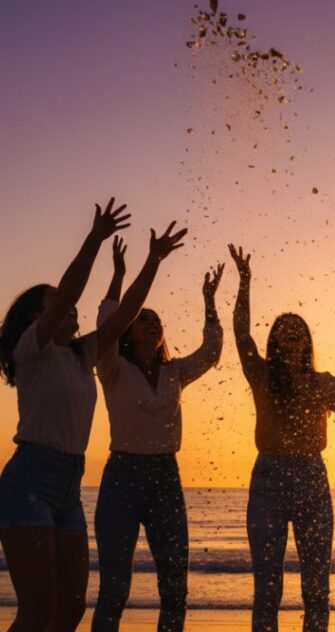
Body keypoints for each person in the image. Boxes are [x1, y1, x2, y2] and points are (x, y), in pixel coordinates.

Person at [0, 201, 186, 632]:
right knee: (37, 610)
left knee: (70, 610)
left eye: (69, 307)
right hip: (29, 481)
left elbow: (126, 313)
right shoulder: (33, 350)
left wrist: (154, 260)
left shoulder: (83, 354)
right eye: (57, 305)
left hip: (70, 485)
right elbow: (69, 292)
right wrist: (94, 239)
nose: (71, 309)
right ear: (36, 317)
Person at [91, 236, 224, 632]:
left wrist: (209, 301)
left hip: (166, 476)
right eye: (143, 319)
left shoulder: (175, 372)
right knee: (115, 588)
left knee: (175, 588)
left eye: (157, 321)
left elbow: (212, 351)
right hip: (122, 476)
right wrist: (119, 276)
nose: (152, 323)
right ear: (128, 330)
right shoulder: (113, 368)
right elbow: (107, 321)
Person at [228, 244, 335, 632]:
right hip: (269, 477)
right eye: (284, 332)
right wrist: (244, 283)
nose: (291, 336)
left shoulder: (321, 381)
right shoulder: (262, 375)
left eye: (298, 332)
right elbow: (240, 334)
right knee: (267, 589)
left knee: (316, 589)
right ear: (275, 342)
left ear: (306, 343)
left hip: (311, 479)